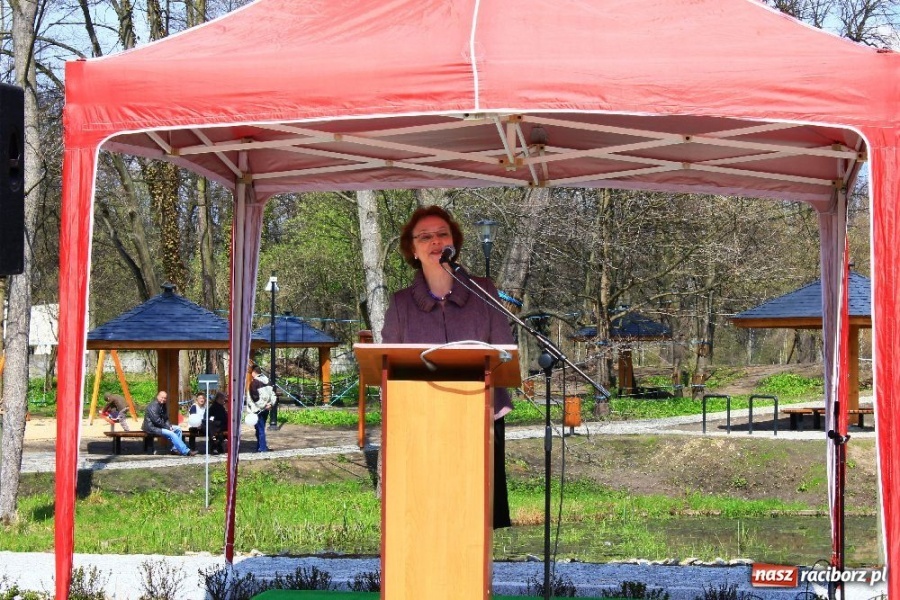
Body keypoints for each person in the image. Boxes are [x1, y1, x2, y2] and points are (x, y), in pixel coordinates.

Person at [381, 205, 515, 529]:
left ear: (454, 242)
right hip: (421, 427)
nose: (435, 242)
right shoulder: (400, 304)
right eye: (424, 237)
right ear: (412, 249)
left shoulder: (484, 291)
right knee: (428, 517)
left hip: (480, 421)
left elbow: (505, 355)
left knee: (474, 520)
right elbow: (388, 366)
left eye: (442, 234)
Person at [142, 390, 196, 456]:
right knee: (171, 434)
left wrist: (169, 426)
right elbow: (156, 421)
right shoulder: (153, 406)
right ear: (157, 396)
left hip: (159, 426)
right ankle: (186, 451)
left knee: (178, 429)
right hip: (151, 427)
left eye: (165, 398)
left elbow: (166, 418)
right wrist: (168, 428)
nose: (163, 399)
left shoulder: (162, 405)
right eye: (162, 397)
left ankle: (174, 449)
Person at [247, 366, 274, 452]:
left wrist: (262, 406)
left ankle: (262, 448)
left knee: (260, 429)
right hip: (266, 409)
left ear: (253, 372)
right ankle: (260, 446)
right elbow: (273, 394)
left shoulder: (254, 383)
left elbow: (255, 397)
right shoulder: (268, 381)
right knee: (260, 428)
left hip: (257, 409)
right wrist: (270, 404)